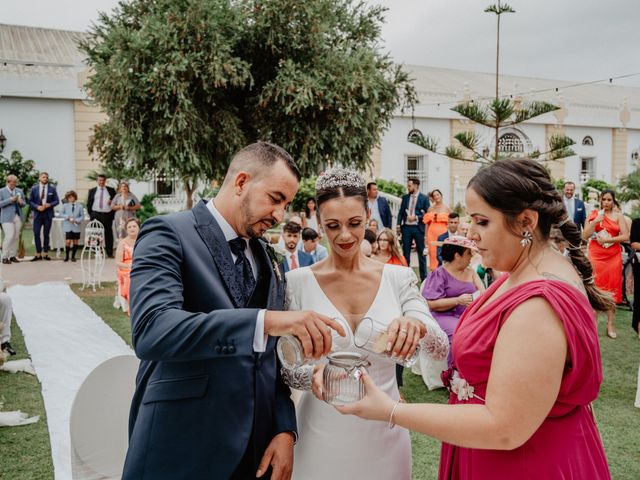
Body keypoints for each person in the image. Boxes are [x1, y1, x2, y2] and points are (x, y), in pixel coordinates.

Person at [339, 159, 611, 480]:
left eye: (482, 221)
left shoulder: (539, 305)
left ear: (526, 221)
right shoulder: (519, 273)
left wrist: (391, 411)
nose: (470, 234)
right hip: (491, 451)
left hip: (523, 463)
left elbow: (504, 427)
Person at [123, 141, 344, 479]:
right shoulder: (167, 232)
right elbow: (154, 329)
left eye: (286, 204)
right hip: (180, 445)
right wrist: (266, 321)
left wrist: (285, 428)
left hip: (254, 454)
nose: (280, 215)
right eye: (275, 199)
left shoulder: (267, 259)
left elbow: (268, 359)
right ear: (241, 182)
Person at [282, 168, 448, 480]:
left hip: (384, 433)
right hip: (320, 431)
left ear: (368, 215)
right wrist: (312, 375)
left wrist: (418, 326)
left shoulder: (398, 278)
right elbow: (285, 366)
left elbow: (440, 347)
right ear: (318, 222)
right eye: (332, 226)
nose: (344, 235)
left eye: (354, 223)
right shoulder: (297, 283)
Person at [423, 235, 484, 367]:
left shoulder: (471, 272)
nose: (471, 258)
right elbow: (430, 304)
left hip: (468, 315)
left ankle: (477, 372)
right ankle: (455, 375)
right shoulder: (439, 274)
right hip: (444, 316)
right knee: (459, 333)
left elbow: (483, 294)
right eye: (468, 254)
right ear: (457, 255)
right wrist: (458, 300)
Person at [582, 189, 628, 339]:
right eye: (604, 200)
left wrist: (608, 240)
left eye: (609, 200)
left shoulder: (618, 216)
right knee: (596, 286)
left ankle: (610, 323)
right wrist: (595, 221)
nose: (606, 203)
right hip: (596, 255)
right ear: (600, 200)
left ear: (613, 201)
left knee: (612, 287)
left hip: (613, 256)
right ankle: (593, 320)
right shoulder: (594, 214)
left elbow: (626, 235)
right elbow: (584, 236)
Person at [398, 178, 430, 280]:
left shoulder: (424, 198)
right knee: (406, 253)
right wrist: (398, 225)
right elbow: (401, 212)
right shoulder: (405, 197)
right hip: (406, 228)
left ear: (416, 186)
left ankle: (423, 277)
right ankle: (406, 277)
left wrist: (416, 217)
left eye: (410, 186)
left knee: (421, 254)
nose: (408, 187)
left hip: (418, 228)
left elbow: (427, 215)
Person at [28, 172, 59, 261]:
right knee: (36, 233)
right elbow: (30, 201)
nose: (45, 178)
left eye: (46, 177)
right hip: (37, 214)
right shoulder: (34, 188)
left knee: (46, 234)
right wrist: (37, 207)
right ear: (39, 178)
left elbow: (57, 201)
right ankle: (38, 254)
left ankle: (45, 253)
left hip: (48, 214)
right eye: (43, 177)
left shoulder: (52, 189)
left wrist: (49, 204)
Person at [87, 174, 117, 258]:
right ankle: (97, 252)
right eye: (99, 180)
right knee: (95, 234)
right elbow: (89, 203)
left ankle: (110, 253)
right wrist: (91, 214)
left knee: (108, 234)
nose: (101, 182)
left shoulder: (111, 190)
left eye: (103, 180)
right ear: (97, 181)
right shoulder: (92, 190)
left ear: (105, 181)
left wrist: (112, 205)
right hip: (95, 214)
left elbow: (116, 202)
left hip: (107, 215)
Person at [423, 189, 452, 272]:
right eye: (434, 196)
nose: (436, 197)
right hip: (431, 234)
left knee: (441, 255)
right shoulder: (430, 209)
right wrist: (425, 236)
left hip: (443, 234)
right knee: (433, 255)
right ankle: (434, 272)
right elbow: (427, 224)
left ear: (441, 195)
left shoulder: (447, 208)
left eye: (438, 195)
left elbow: (453, 221)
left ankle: (444, 272)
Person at [115, 218, 140, 315]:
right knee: (131, 276)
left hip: (140, 265)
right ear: (126, 229)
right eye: (129, 227)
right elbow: (118, 262)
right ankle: (132, 306)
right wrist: (129, 265)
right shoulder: (123, 242)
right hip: (126, 268)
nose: (132, 228)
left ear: (139, 228)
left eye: (134, 226)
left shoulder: (142, 240)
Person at [0, 174, 26, 264]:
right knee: (9, 236)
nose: (14, 185)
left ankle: (12, 256)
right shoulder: (1, 191)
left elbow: (24, 204)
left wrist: (21, 201)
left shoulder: (19, 191)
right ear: (7, 182)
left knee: (15, 237)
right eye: (12, 183)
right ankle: (4, 257)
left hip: (18, 216)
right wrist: (10, 200)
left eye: (15, 183)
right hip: (6, 217)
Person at [60, 191, 84, 262]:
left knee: (75, 241)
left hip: (76, 227)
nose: (70, 199)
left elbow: (82, 216)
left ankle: (73, 256)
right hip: (68, 227)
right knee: (68, 241)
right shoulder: (65, 206)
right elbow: (61, 213)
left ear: (75, 197)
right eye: (69, 198)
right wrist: (67, 217)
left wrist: (76, 220)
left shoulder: (80, 206)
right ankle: (67, 256)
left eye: (71, 197)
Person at [630, 217, 640, 334]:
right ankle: (638, 325)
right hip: (639, 263)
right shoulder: (637, 222)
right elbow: (634, 244)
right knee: (639, 296)